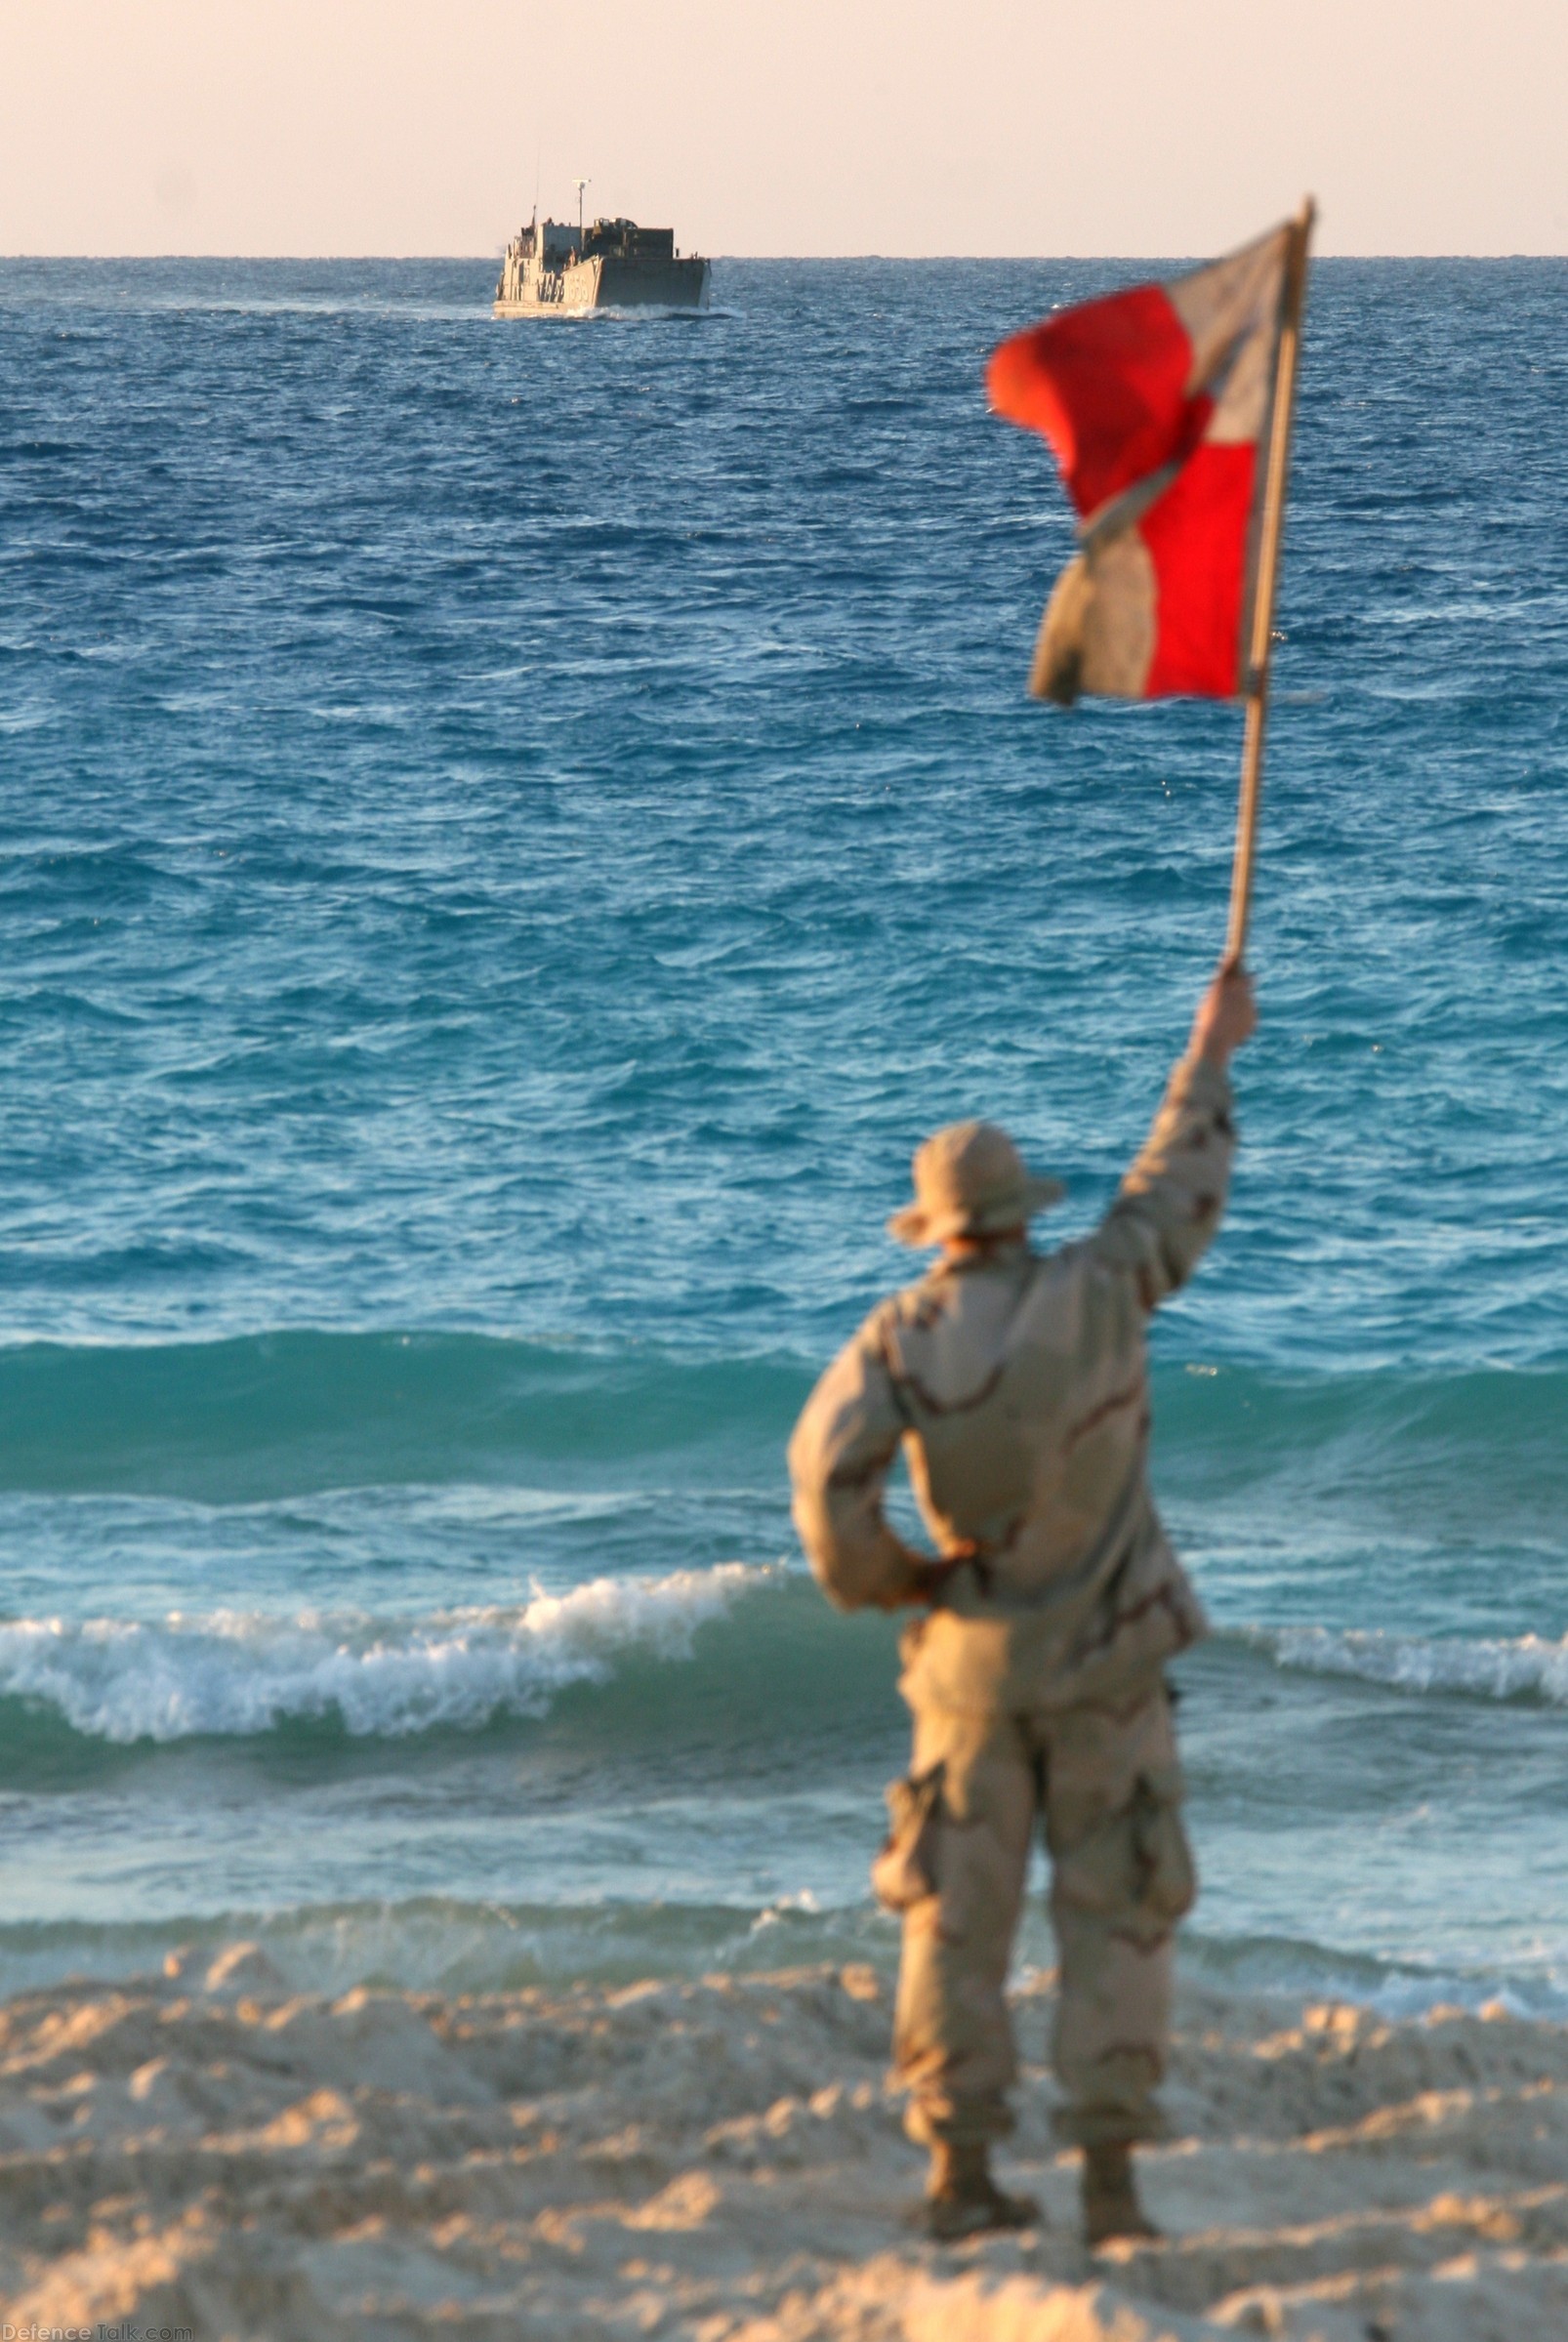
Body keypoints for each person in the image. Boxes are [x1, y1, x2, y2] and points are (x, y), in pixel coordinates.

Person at [788, 961, 1256, 2244]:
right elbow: (1174, 1194)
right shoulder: (1097, 1291)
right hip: (1106, 1671)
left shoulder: (898, 1337)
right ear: (1017, 1214)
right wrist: (1208, 1053)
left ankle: (957, 2172)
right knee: (1117, 1917)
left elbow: (824, 1486)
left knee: (953, 1925)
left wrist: (899, 1581)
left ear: (936, 1229)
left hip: (969, 1676)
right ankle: (1109, 2182)